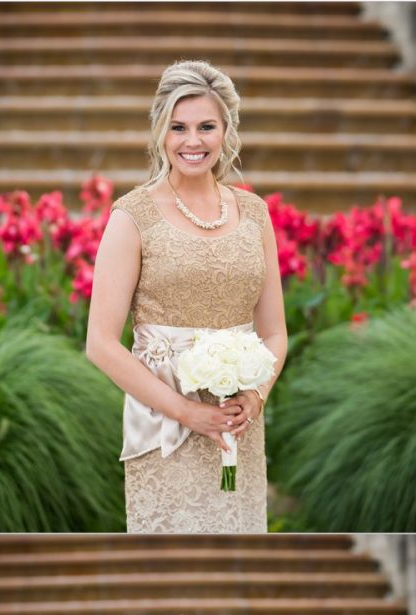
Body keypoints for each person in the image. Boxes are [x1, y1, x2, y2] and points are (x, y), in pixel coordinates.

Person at [87, 60, 286, 533]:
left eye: (205, 127)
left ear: (226, 130)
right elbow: (100, 342)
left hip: (238, 425)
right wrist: (187, 412)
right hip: (165, 428)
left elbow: (275, 332)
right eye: (178, 127)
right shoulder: (132, 217)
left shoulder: (255, 213)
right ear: (160, 130)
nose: (192, 141)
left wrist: (255, 398)